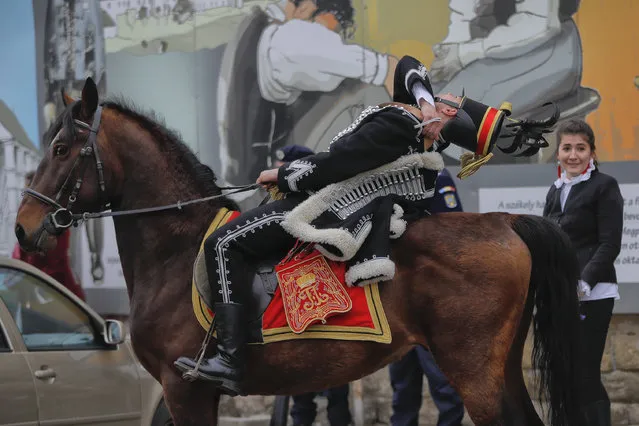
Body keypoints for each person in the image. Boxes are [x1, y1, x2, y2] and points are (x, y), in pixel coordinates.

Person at [174, 54, 517, 397]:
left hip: (327, 205)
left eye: (453, 100)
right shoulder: (413, 115)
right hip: (340, 187)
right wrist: (427, 103)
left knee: (222, 243)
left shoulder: (400, 127)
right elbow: (409, 65)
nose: (445, 95)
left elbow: (338, 163)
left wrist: (282, 174)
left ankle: (230, 360)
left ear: (451, 113)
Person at [542, 119, 623, 426]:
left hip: (593, 294)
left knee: (584, 373)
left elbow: (609, 244)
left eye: (580, 148)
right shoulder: (556, 189)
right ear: (558, 152)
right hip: (559, 294)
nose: (573, 155)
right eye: (566, 148)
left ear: (591, 152)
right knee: (562, 371)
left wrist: (583, 283)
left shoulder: (605, 186)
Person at [271, 145, 353, 426]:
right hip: (296, 303)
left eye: (283, 168)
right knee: (302, 390)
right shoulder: (280, 204)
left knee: (335, 384)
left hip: (324, 299)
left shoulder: (323, 203)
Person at [388, 169, 465, 426]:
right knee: (402, 385)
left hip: (432, 299)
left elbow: (453, 230)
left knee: (444, 384)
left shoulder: (437, 175)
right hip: (398, 298)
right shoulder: (387, 174)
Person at [12, 172, 86, 301]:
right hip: (33, 281)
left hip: (52, 283)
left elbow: (57, 254)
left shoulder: (51, 213)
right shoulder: (26, 211)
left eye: (30, 189)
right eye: (26, 190)